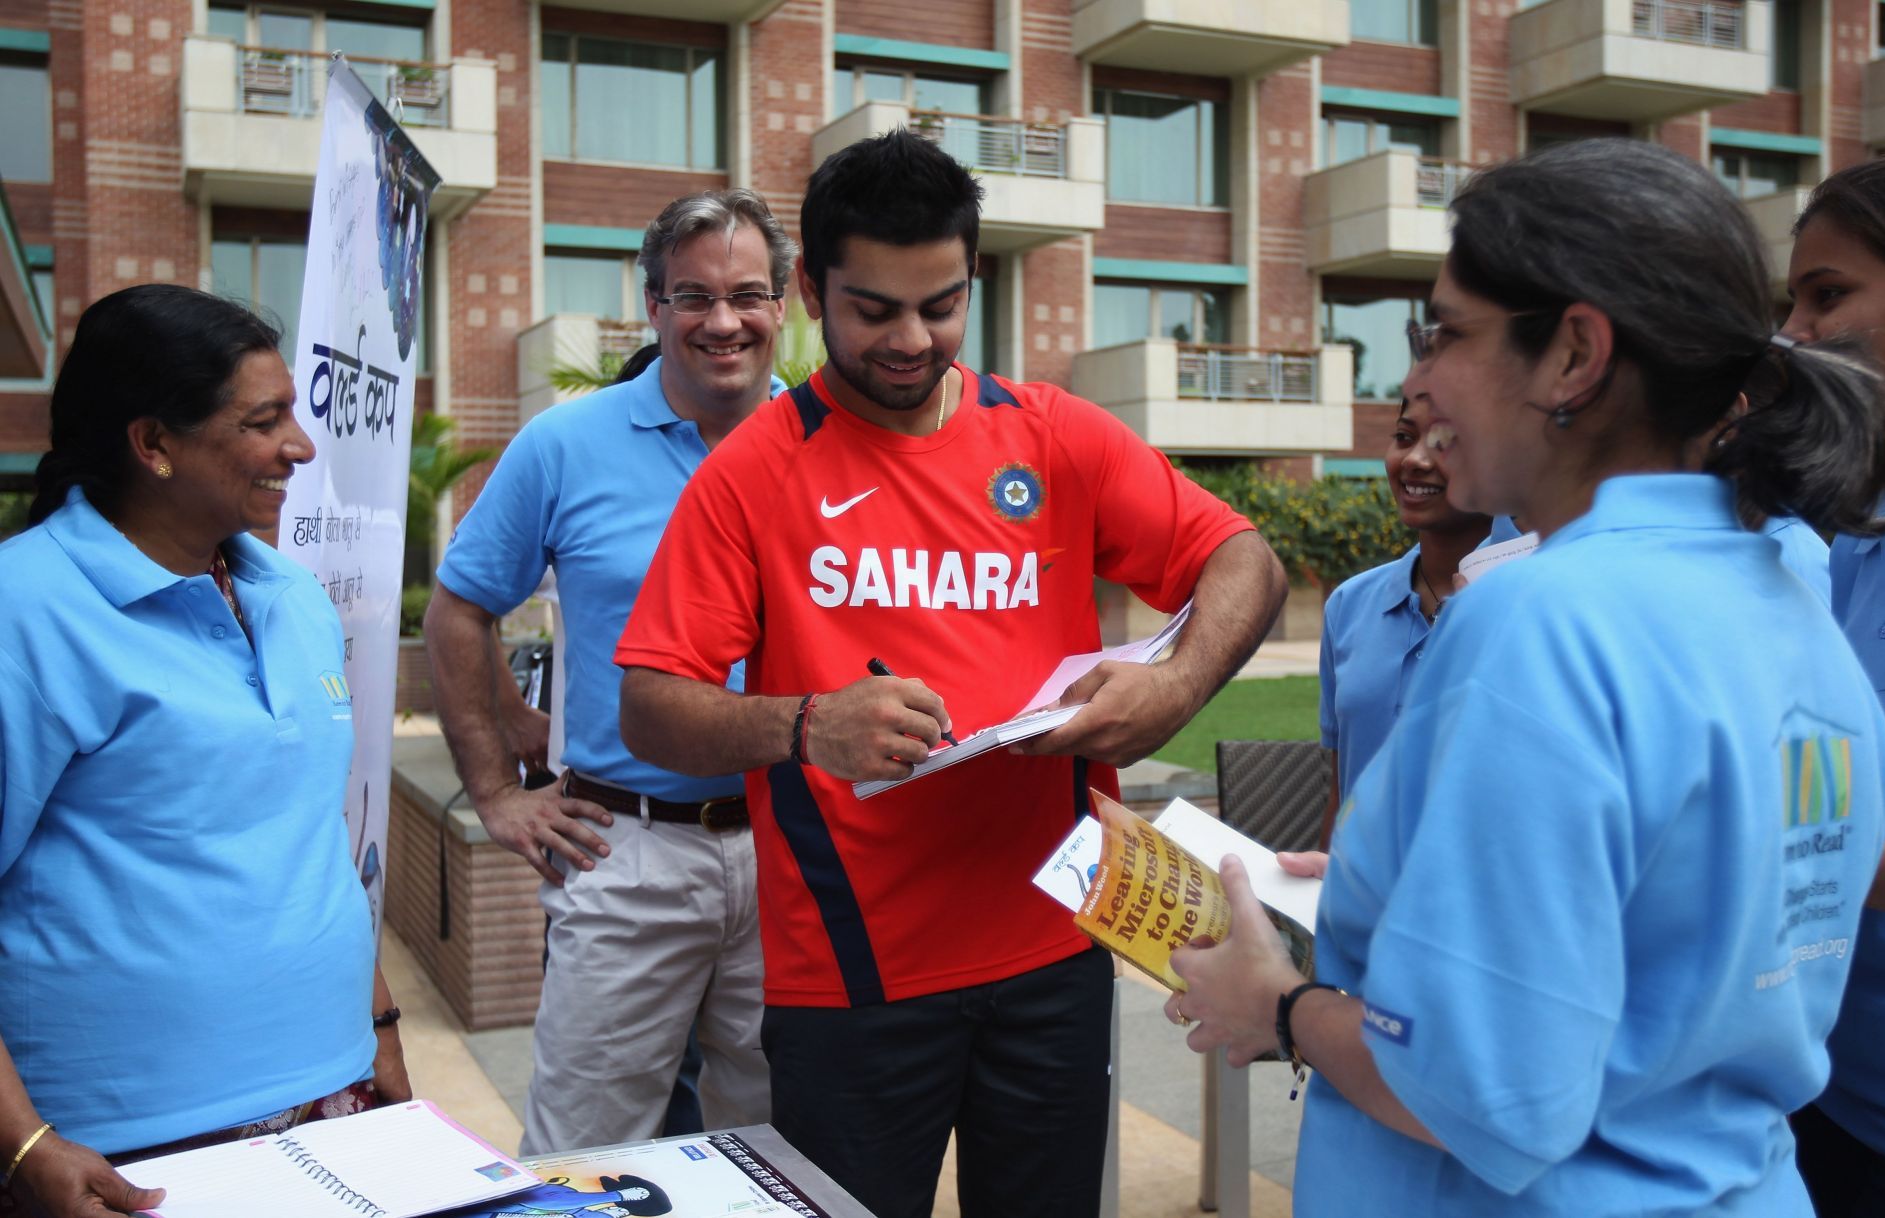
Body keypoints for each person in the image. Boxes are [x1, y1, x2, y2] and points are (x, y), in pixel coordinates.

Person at [1165, 139, 1885, 1216]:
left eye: (1446, 335)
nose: (1417, 381)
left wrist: (1276, 1007)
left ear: (1573, 355)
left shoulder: (1538, 615)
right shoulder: (1799, 600)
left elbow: (1487, 1096)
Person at [613, 129, 1285, 1218]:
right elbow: (650, 701)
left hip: (1059, 943)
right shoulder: (754, 471)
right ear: (810, 288)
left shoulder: (1051, 434)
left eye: (942, 304)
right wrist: (806, 725)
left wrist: (1174, 688)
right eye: (875, 309)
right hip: (853, 979)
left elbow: (1238, 557)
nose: (911, 339)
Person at [0, 285, 410, 1218]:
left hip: (330, 1099)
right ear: (153, 445)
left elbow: (311, 844)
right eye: (263, 423)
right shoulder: (24, 610)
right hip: (123, 1151)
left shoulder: (291, 598)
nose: (301, 448)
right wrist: (24, 1142)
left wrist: (378, 1026)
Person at [425, 189, 790, 1156]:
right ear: (653, 306)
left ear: (783, 307)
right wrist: (497, 789)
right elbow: (461, 606)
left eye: (748, 294)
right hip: (625, 852)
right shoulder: (564, 443)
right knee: (589, 1158)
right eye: (694, 296)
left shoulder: (826, 447)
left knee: (780, 1153)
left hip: (792, 846)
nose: (723, 321)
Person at [1779, 149, 1885, 1216]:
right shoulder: (1842, 541)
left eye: (1829, 295)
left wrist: (1799, 853)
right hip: (1821, 1101)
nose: (1798, 333)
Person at [1316, 397, 1492, 845]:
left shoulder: (1533, 597)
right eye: (1404, 437)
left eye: (1444, 441)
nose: (1415, 460)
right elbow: (1342, 790)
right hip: (1362, 907)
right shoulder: (1348, 605)